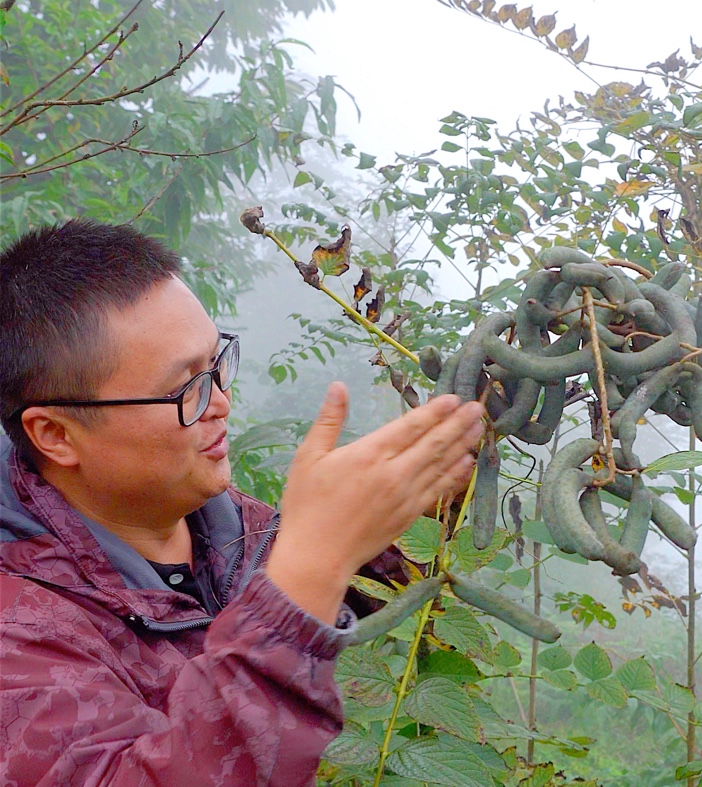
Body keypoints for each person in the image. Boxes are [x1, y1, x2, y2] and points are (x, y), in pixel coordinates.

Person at [0, 219, 485, 785]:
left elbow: (346, 600)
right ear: (55, 435)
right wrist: (310, 568)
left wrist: (420, 500)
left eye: (217, 363)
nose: (222, 402)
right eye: (187, 388)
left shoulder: (226, 526)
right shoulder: (22, 636)